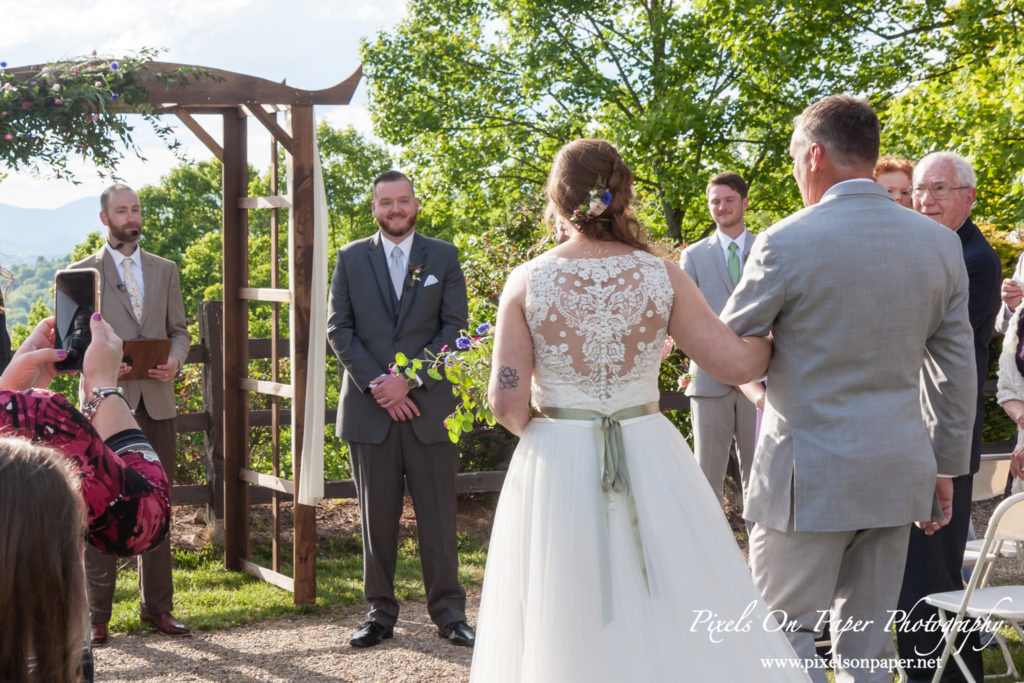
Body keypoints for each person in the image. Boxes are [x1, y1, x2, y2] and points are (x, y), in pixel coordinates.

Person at [470, 138, 807, 682]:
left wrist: (550, 427)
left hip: (556, 454)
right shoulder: (662, 274)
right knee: (674, 585)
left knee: (562, 599)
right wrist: (776, 336)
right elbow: (734, 364)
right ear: (622, 194)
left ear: (558, 199)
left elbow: (504, 400)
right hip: (648, 445)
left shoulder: (527, 279)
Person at [720, 96, 976, 683]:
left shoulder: (785, 240)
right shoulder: (940, 245)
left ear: (814, 155)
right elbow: (955, 370)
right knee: (866, 641)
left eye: (791, 157)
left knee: (781, 637)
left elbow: (729, 343)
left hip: (803, 477)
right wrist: (942, 465)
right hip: (897, 468)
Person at [327, 170, 474, 649]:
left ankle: (450, 614)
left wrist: (407, 380)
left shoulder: (444, 256)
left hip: (430, 408)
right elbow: (338, 330)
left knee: (439, 517)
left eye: (403, 201)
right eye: (386, 202)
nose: (395, 209)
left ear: (415, 204)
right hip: (371, 412)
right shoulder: (350, 258)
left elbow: (455, 329)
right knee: (376, 517)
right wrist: (379, 385)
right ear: (374, 208)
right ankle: (379, 613)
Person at [0, 314, 171, 683]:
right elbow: (145, 518)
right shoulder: (38, 417)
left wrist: (8, 398)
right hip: (43, 654)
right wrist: (102, 388)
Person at [894, 151, 1001, 682]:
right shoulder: (926, 248)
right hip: (905, 437)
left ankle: (947, 676)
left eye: (939, 189)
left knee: (929, 577)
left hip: (942, 441)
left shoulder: (974, 260)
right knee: (915, 576)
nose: (925, 199)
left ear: (968, 197)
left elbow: (929, 349)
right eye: (918, 188)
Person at [69, 183, 192, 644]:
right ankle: (95, 616)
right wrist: (101, 363)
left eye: (136, 209)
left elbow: (179, 331)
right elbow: (70, 343)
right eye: (121, 210)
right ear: (105, 219)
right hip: (105, 405)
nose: (131, 217)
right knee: (99, 506)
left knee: (159, 505)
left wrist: (176, 360)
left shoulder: (165, 270)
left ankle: (157, 609)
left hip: (157, 404)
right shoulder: (82, 274)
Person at [679, 172, 758, 503]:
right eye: (715, 201)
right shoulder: (694, 256)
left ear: (744, 202)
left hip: (761, 379)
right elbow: (683, 320)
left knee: (761, 477)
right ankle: (706, 554)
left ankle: (763, 554)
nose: (722, 207)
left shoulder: (769, 247)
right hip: (709, 382)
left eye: (728, 200)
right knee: (705, 479)